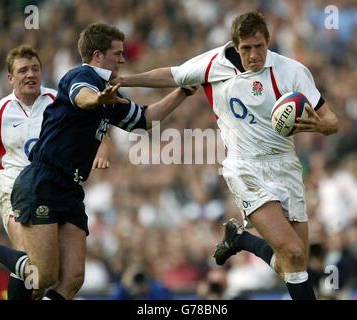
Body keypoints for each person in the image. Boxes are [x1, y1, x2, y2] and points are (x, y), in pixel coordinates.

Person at [117, 11, 338, 300]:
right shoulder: (213, 64)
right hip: (244, 166)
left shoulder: (292, 71)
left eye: (259, 46)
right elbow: (172, 75)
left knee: (294, 265)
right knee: (293, 252)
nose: (254, 54)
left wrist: (321, 126)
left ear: (268, 42)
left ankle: (240, 239)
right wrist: (124, 80)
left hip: (285, 165)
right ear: (235, 46)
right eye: (246, 48)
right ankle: (243, 239)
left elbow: (331, 120)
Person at [0, 23, 196, 300]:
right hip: (41, 182)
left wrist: (182, 92)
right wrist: (98, 98)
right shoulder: (80, 76)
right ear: (98, 55)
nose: (123, 59)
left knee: (73, 279)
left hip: (71, 187)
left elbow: (146, 119)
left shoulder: (109, 92)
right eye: (117, 53)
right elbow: (82, 97)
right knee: (44, 274)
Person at [0, 45, 112, 300]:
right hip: (17, 190)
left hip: (56, 190)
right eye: (23, 70)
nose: (30, 74)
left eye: (35, 69)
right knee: (34, 264)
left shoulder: (58, 100)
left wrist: (102, 149)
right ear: (10, 78)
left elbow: (94, 125)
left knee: (66, 278)